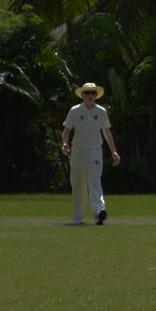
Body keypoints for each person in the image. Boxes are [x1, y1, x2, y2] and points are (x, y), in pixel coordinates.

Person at [60, 82, 120, 226]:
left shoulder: (101, 111)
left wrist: (113, 151)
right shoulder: (74, 111)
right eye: (87, 93)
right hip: (78, 151)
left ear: (96, 95)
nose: (90, 95)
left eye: (93, 93)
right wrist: (65, 144)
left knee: (95, 182)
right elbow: (66, 130)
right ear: (82, 95)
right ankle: (77, 218)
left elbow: (106, 132)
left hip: (95, 152)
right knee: (79, 185)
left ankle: (99, 213)